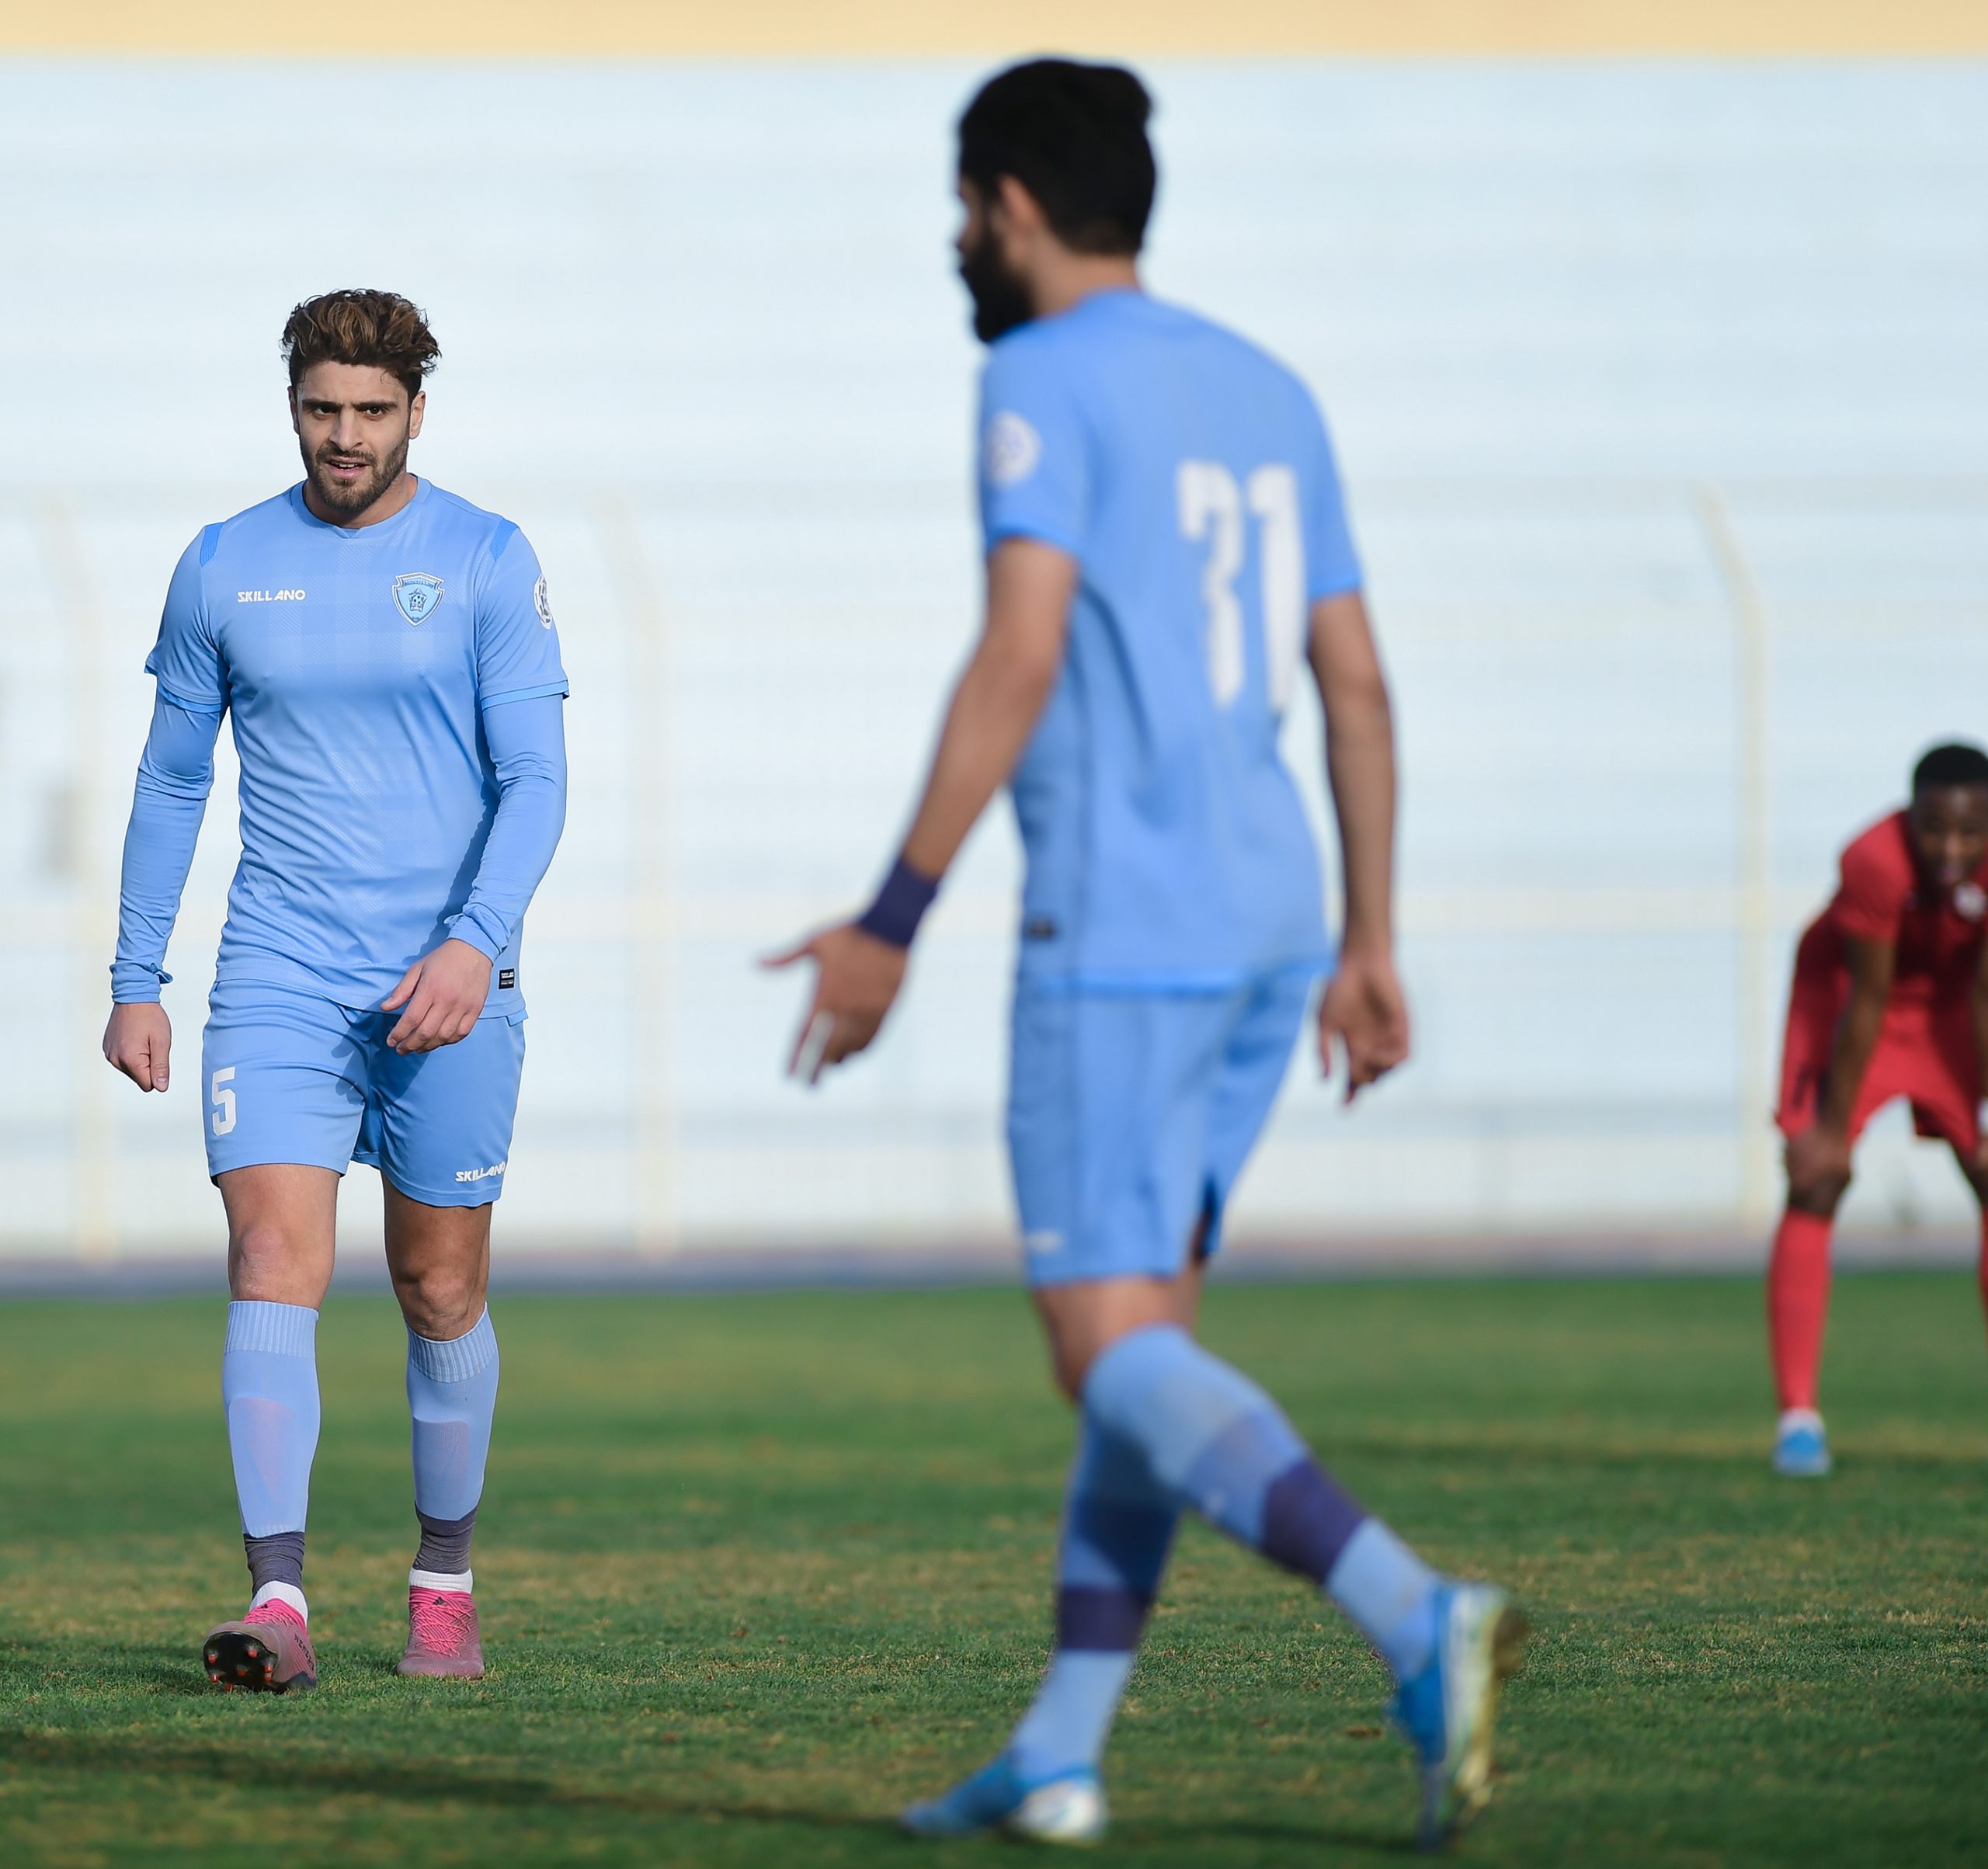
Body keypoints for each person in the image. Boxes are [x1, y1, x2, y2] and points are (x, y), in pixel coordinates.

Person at [770, 60, 1524, 1850]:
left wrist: (889, 915)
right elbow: (1352, 681)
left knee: (1097, 1336)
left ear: (1010, 201)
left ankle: (1412, 1609)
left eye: (965, 203)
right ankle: (1058, 1745)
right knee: (1146, 1337)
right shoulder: (1266, 388)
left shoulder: (1029, 378)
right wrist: (1364, 932)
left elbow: (1017, 653)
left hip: (1123, 919)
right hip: (1268, 914)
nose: (959, 236)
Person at [101, 288, 568, 1692]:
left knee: (438, 1287)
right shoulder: (224, 564)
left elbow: (536, 778)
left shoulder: (487, 557)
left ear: (417, 411)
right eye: (322, 409)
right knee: (271, 1263)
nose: (344, 436)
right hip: (279, 977)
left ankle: (442, 1578)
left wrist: (476, 941)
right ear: (291, 405)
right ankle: (279, 1599)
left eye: (372, 411)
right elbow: (173, 776)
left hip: (449, 984)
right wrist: (138, 977)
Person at [1767, 742, 1988, 1478]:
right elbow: (1865, 998)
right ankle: (1799, 1418)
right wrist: (1829, 1131)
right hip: (1847, 1004)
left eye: (1969, 830)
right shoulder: (1872, 860)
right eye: (1934, 827)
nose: (1950, 847)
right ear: (1909, 814)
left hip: (1952, 1010)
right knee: (1817, 1180)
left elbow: (1986, 992)